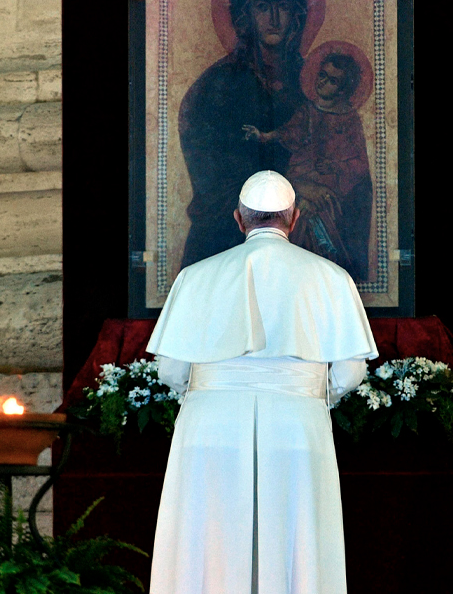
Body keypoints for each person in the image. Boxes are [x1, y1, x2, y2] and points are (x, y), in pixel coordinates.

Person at [146, 170, 378, 593]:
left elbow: (172, 372)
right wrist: (308, 393)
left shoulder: (195, 277)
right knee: (298, 537)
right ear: (295, 218)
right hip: (296, 426)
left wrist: (212, 391)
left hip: (210, 426)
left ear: (238, 219)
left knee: (207, 539)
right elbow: (349, 373)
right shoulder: (332, 278)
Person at [178, 0, 310, 268]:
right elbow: (209, 173)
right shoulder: (216, 85)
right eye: (263, 7)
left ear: (297, 16)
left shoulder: (313, 79)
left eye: (283, 7)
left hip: (297, 230)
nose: (274, 18)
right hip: (229, 234)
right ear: (245, 17)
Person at [242, 49, 372, 280]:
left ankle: (322, 272)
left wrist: (335, 168)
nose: (323, 82)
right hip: (301, 176)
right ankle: (294, 273)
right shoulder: (308, 111)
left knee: (319, 210)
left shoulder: (350, 119)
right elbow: (288, 132)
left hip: (332, 185)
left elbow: (359, 163)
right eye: (322, 75)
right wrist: (263, 136)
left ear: (343, 89)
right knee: (299, 211)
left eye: (332, 81)